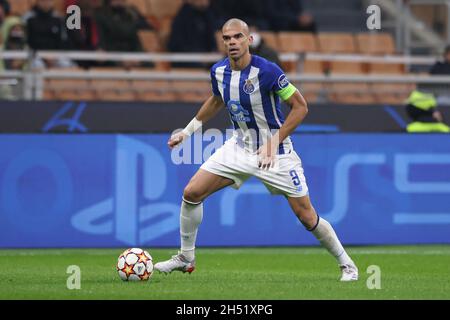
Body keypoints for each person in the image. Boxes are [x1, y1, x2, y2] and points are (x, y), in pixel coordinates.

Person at [154, 18, 359, 282]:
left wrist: (273, 142)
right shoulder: (218, 71)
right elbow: (217, 100)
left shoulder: (269, 71)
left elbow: (301, 107)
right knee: (192, 192)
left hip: (277, 153)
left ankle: (347, 265)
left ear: (249, 40)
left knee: (307, 216)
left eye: (238, 37)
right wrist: (187, 130)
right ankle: (186, 258)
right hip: (239, 148)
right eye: (227, 38)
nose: (232, 43)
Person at [167, 0, 216, 69]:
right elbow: (176, 46)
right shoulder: (181, 18)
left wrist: (213, 52)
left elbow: (212, 42)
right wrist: (200, 56)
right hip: (186, 60)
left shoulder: (207, 15)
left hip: (206, 58)